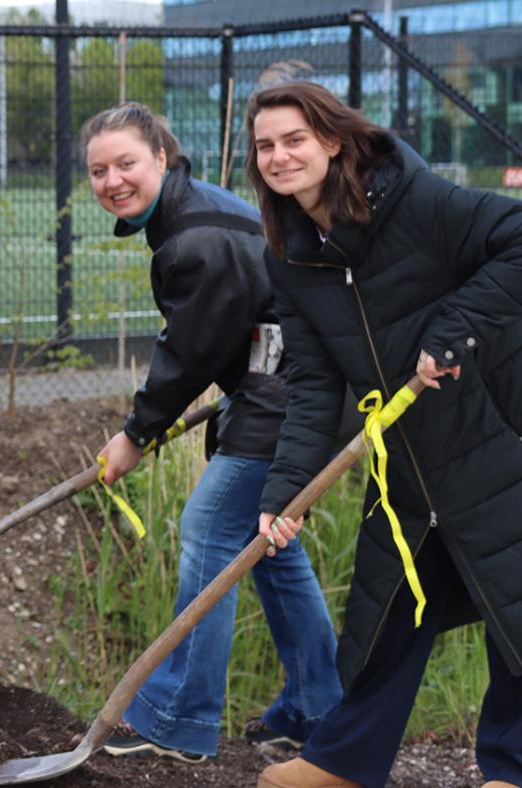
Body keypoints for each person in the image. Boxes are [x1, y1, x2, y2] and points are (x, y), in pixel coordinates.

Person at [247, 80, 522, 788]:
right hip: (411, 458)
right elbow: (312, 386)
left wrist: (453, 329)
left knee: (512, 600)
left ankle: (509, 770)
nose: (279, 158)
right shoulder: (291, 255)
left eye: (294, 140)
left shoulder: (417, 201)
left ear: (332, 140)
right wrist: (289, 493)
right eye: (265, 146)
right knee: (387, 612)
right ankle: (342, 763)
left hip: (496, 428)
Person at [81, 102, 342, 764]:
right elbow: (217, 337)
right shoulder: (189, 214)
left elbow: (187, 351)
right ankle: (323, 714)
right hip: (288, 380)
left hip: (290, 391)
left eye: (126, 164)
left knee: (209, 528)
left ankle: (179, 717)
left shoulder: (194, 237)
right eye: (98, 170)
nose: (112, 180)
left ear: (162, 159)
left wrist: (136, 432)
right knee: (269, 544)